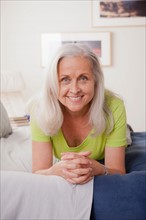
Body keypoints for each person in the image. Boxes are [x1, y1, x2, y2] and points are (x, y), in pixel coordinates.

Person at [30, 43, 127, 185]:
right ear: (53, 83)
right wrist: (54, 171)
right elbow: (39, 171)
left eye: (83, 78)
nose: (74, 90)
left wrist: (100, 169)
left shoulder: (114, 106)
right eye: (65, 79)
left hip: (108, 140)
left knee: (128, 138)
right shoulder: (40, 109)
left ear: (95, 81)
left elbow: (118, 171)